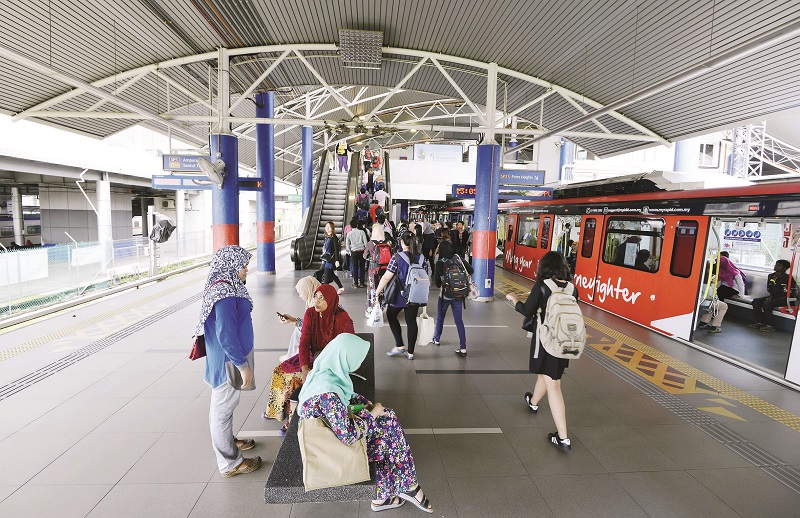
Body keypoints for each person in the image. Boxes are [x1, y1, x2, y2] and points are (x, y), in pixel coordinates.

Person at [297, 333, 433, 514]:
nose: (360, 363)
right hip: (329, 446)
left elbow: (344, 403)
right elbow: (349, 436)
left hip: (332, 429)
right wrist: (373, 413)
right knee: (386, 428)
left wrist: (367, 406)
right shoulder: (327, 392)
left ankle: (386, 495)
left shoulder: (324, 371)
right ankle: (405, 486)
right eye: (358, 358)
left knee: (387, 419)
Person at [195, 245, 261, 477]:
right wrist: (243, 367)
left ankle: (229, 442)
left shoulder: (224, 285)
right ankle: (230, 463)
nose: (245, 271)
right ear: (231, 266)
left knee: (226, 406)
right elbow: (225, 334)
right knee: (222, 410)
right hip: (228, 362)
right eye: (243, 266)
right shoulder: (225, 293)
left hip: (223, 358)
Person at [506, 251, 576, 452]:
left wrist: (514, 299)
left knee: (553, 384)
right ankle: (534, 402)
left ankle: (563, 438)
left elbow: (527, 310)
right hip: (565, 341)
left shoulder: (543, 286)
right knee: (547, 375)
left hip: (547, 342)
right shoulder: (572, 288)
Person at [262, 284, 354, 432]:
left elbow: (349, 346)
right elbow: (304, 342)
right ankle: (277, 410)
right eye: (315, 297)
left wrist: (330, 365)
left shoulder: (342, 318)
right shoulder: (310, 313)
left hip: (333, 361)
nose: (316, 301)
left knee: (296, 381)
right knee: (280, 371)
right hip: (311, 356)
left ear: (330, 300)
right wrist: (304, 366)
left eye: (321, 298)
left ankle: (294, 422)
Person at [375, 231, 429, 360]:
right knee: (411, 321)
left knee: (391, 315)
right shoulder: (422, 258)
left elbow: (386, 277)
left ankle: (400, 345)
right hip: (415, 295)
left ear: (402, 242)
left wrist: (377, 292)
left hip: (400, 295)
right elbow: (425, 277)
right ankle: (410, 353)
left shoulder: (397, 257)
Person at [432, 230, 473, 355]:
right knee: (458, 320)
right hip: (459, 295)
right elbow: (471, 270)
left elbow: (438, 283)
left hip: (445, 295)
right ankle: (463, 347)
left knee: (440, 317)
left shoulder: (440, 263)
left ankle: (436, 339)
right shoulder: (458, 258)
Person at [277, 276, 322, 362]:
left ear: (308, 290)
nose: (300, 296)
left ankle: (293, 355)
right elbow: (310, 323)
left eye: (301, 293)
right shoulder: (314, 300)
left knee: (299, 330)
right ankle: (292, 354)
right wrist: (292, 320)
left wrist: (294, 321)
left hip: (323, 336)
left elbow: (312, 326)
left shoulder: (317, 304)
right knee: (300, 329)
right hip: (321, 332)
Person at [749, 259, 797, 333]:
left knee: (766, 304)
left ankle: (770, 325)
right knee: (756, 301)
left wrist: (776, 299)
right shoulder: (771, 276)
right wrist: (771, 296)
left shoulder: (788, 278)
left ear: (784, 269)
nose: (776, 266)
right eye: (776, 264)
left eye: (779, 266)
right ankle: (759, 322)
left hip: (784, 299)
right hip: (774, 296)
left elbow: (791, 292)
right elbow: (769, 288)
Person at [364, 224, 391, 317]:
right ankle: (381, 308)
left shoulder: (371, 243)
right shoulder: (386, 241)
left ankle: (371, 310)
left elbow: (365, 255)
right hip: (384, 269)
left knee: (372, 288)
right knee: (381, 288)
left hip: (373, 270)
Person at [321, 221, 345, 293]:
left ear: (332, 228)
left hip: (330, 260)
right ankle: (341, 287)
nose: (327, 228)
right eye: (326, 226)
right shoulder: (326, 237)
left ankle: (324, 292)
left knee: (326, 275)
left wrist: (337, 260)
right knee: (331, 275)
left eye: (329, 227)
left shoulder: (334, 237)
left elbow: (336, 249)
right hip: (326, 259)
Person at [346, 218, 368, 288]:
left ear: (350, 226)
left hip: (354, 252)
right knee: (362, 267)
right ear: (357, 225)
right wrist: (365, 251)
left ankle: (355, 283)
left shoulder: (349, 234)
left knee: (355, 268)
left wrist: (349, 252)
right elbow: (365, 243)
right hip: (361, 252)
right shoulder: (362, 232)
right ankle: (361, 283)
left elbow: (347, 245)